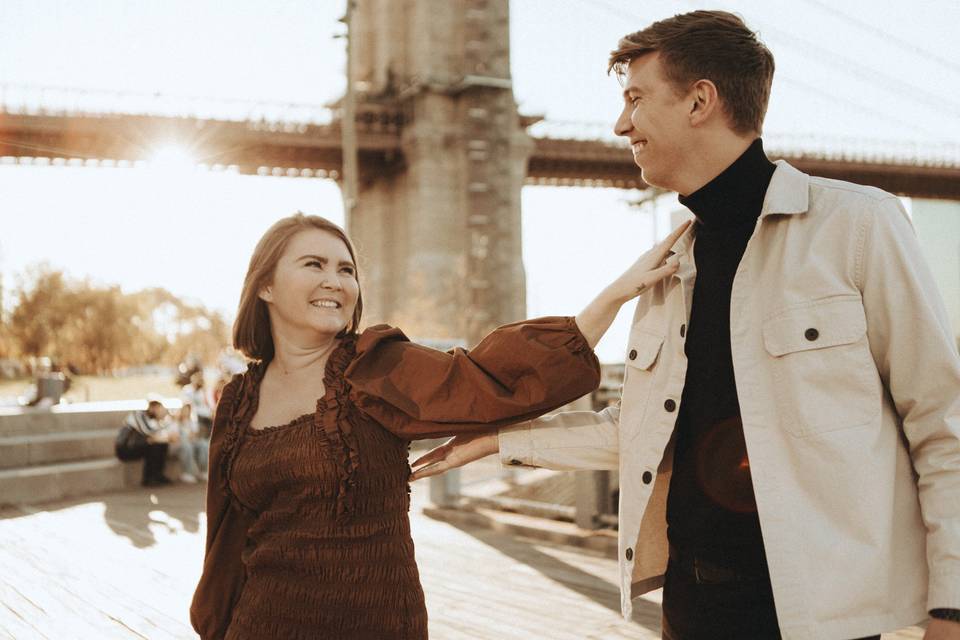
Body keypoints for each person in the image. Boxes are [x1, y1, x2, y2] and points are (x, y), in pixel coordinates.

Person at [411, 10, 960, 640]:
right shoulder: (671, 269)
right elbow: (643, 427)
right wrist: (501, 441)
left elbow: (942, 423)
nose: (621, 125)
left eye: (637, 100)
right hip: (689, 611)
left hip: (819, 618)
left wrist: (951, 606)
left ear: (700, 100)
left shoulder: (860, 226)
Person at [189, 213, 686, 639]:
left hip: (374, 624)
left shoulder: (374, 369)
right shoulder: (238, 400)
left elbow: (490, 380)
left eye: (346, 269)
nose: (335, 281)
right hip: (260, 623)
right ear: (266, 286)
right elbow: (226, 535)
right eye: (313, 264)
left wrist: (611, 299)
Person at [115, 393, 173, 487]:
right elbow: (147, 432)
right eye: (154, 406)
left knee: (162, 445)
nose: (156, 409)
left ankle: (158, 475)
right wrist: (161, 422)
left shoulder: (152, 420)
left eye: (158, 407)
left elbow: (157, 435)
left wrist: (161, 423)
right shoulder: (138, 414)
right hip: (125, 448)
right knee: (155, 446)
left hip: (139, 446)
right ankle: (149, 478)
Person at [171, 402, 208, 483]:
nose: (186, 412)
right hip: (180, 444)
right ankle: (187, 473)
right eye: (184, 410)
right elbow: (175, 436)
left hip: (191, 442)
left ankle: (203, 471)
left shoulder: (192, 422)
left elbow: (194, 435)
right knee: (187, 446)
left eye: (188, 410)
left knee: (204, 444)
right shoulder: (175, 422)